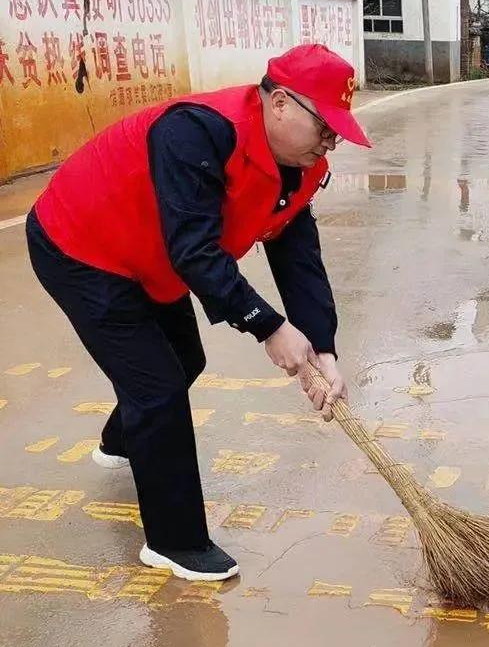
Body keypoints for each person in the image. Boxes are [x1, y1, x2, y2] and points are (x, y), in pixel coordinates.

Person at [26, 44, 370, 582]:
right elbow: (196, 252)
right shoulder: (197, 133)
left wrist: (322, 347)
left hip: (152, 257)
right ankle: (174, 542)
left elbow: (296, 252)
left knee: (183, 359)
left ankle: (121, 443)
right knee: (157, 387)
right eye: (324, 126)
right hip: (82, 246)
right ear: (280, 104)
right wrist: (267, 326)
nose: (331, 141)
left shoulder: (302, 166)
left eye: (338, 132)